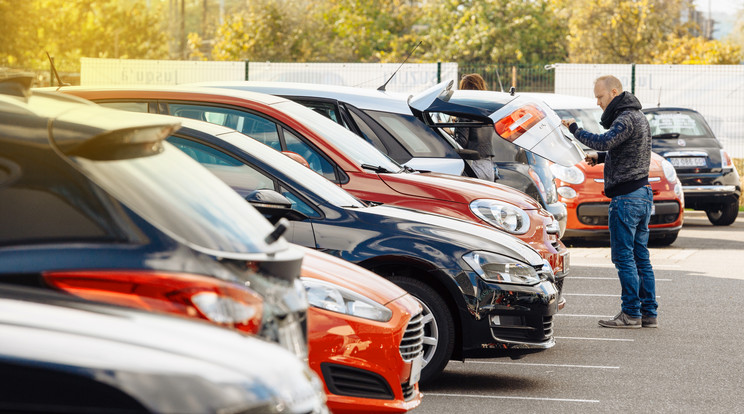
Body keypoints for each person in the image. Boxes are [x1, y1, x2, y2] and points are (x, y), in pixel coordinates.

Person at [561, 75, 658, 329]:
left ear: (614, 92)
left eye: (600, 96)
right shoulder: (637, 116)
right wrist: (601, 157)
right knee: (640, 257)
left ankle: (631, 314)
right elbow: (626, 151)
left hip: (627, 199)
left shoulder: (625, 118)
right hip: (641, 194)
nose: (598, 102)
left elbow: (604, 140)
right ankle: (648, 314)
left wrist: (574, 129)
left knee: (624, 258)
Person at [454, 73, 497, 181]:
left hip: (473, 166)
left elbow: (461, 142)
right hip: (488, 165)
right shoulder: (486, 110)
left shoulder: (465, 111)